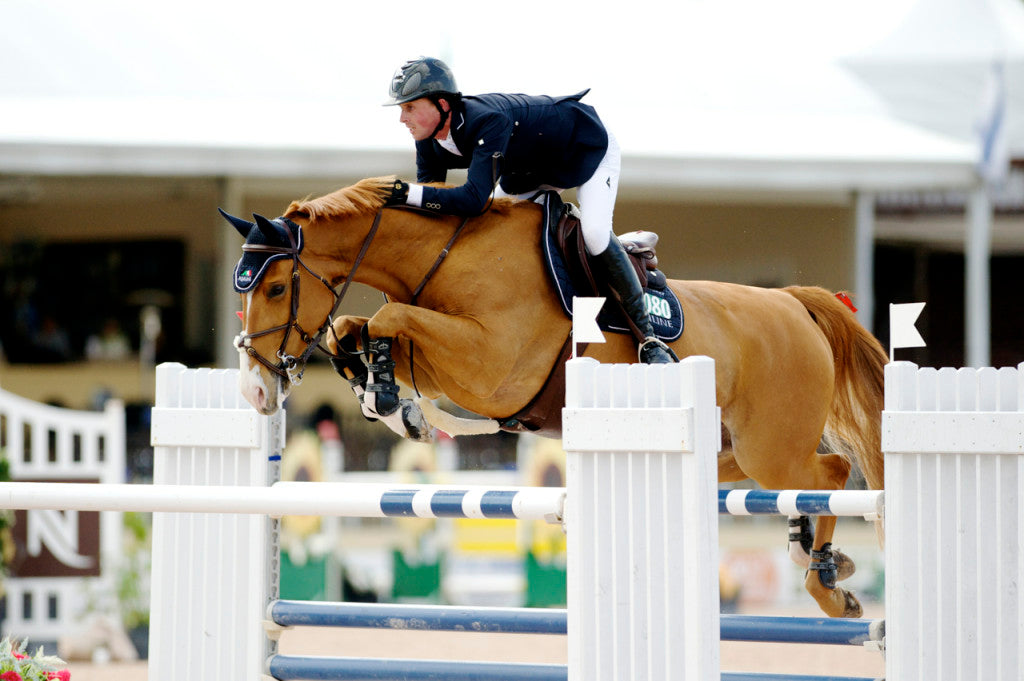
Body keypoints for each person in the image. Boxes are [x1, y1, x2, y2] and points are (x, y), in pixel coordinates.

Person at [382, 56, 673, 364]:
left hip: (583, 148)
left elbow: (472, 199)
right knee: (493, 231)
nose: (403, 118)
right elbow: (433, 207)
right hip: (528, 170)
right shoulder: (428, 140)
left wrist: (404, 192)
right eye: (402, 108)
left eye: (410, 107)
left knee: (595, 233)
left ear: (441, 104)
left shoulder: (485, 120)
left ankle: (649, 340)